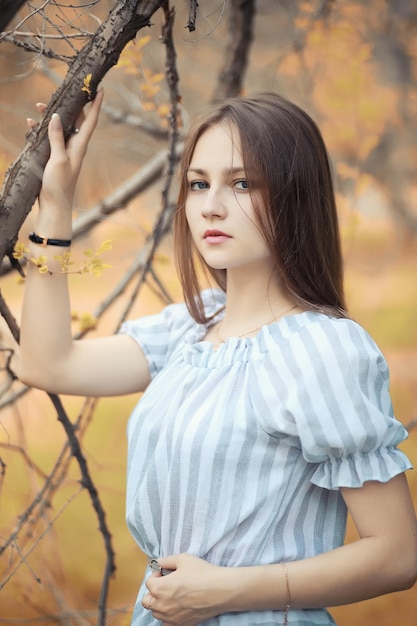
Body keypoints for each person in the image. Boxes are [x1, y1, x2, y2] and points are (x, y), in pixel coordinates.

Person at [18, 90, 417, 626]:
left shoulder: (323, 350)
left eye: (242, 183)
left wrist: (225, 591)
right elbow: (47, 364)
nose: (210, 206)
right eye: (199, 184)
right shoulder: (192, 328)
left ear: (294, 195)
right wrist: (56, 206)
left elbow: (396, 554)